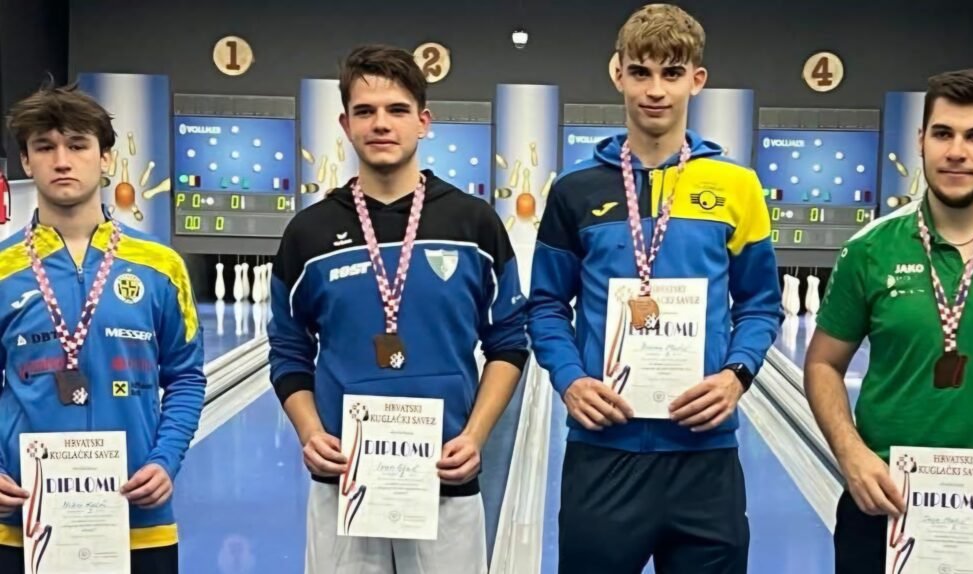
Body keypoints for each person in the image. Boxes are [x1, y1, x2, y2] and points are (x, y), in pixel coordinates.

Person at [527, 4, 783, 573]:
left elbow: (761, 305)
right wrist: (570, 381)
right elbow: (545, 306)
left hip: (705, 455)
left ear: (697, 79)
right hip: (603, 451)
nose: (655, 90)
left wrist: (735, 375)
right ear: (617, 73)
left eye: (672, 73)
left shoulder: (737, 187)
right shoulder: (574, 191)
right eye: (641, 72)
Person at [267, 44, 529, 574]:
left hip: (446, 477)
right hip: (344, 481)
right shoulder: (308, 233)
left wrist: (474, 438)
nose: (381, 123)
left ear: (423, 122)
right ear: (346, 124)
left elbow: (508, 342)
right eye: (364, 111)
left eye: (397, 109)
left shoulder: (473, 223)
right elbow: (288, 350)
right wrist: (310, 433)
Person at [805, 68, 973, 573]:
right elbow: (822, 364)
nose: (956, 151)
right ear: (921, 140)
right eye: (943, 133)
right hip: (885, 504)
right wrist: (851, 454)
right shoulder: (869, 249)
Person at [0, 82, 206, 573]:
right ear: (26, 161)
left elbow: (186, 378)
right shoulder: (4, 269)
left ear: (106, 157)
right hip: (23, 519)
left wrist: (165, 460)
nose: (62, 161)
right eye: (44, 147)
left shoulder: (161, 266)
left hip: (139, 519)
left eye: (77, 145)